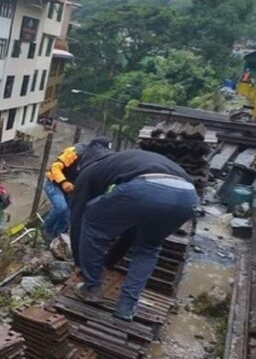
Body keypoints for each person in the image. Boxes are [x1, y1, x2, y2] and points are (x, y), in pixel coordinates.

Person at [70, 150, 198, 321]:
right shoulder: (128, 162)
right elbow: (130, 229)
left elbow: (77, 217)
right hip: (188, 197)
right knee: (148, 247)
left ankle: (91, 288)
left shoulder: (90, 170)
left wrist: (79, 262)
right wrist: (109, 261)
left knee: (92, 218)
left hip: (146, 188)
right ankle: (127, 307)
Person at [41, 137, 112, 241]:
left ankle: (56, 239)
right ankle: (46, 229)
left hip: (71, 190)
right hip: (54, 184)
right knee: (61, 207)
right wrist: (63, 181)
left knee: (67, 217)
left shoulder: (95, 159)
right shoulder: (75, 151)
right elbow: (55, 167)